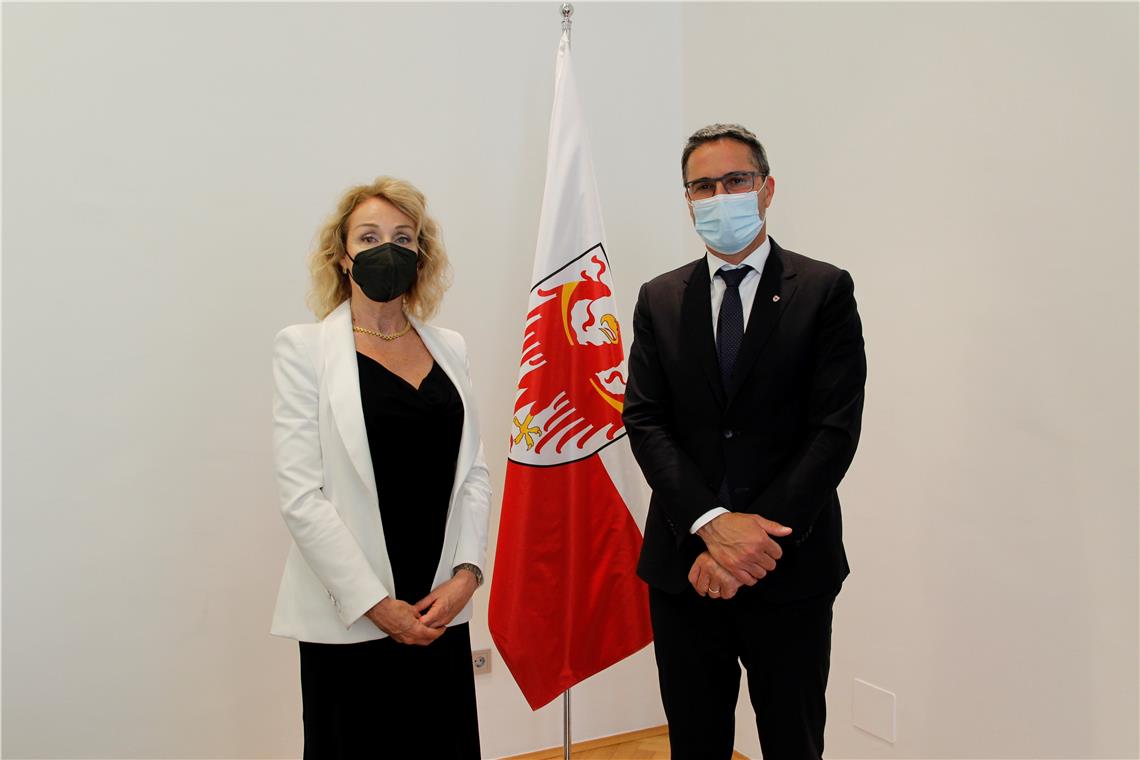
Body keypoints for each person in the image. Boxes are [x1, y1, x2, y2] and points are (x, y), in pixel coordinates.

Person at [622, 124, 867, 759]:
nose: (720, 196)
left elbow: (834, 429)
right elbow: (645, 421)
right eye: (703, 186)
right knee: (695, 743)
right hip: (686, 567)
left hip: (790, 566)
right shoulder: (659, 298)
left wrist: (751, 543)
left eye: (736, 180)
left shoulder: (824, 289)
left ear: (767, 188)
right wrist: (711, 523)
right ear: (688, 201)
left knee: (793, 741)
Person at [269, 176, 491, 758]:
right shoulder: (303, 350)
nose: (385, 250)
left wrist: (467, 577)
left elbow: (473, 473)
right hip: (352, 615)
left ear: (420, 255)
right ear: (343, 256)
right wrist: (376, 605)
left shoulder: (450, 347)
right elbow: (301, 497)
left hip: (439, 608)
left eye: (402, 237)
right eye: (368, 237)